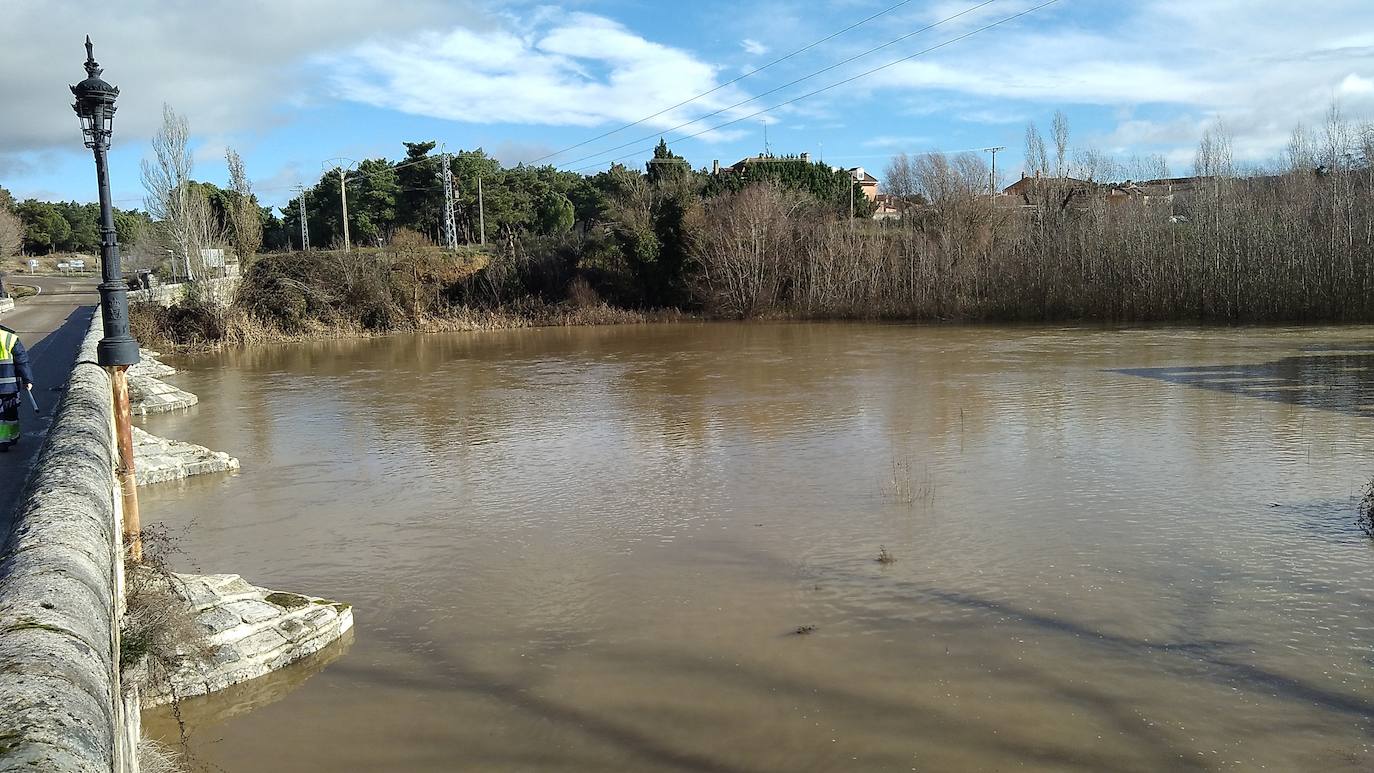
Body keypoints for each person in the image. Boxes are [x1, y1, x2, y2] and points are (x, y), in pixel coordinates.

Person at [0, 324, 34, 452]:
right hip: (9, 386)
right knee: (10, 412)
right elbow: (22, 362)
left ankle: (3, 440)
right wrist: (27, 379)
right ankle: (10, 437)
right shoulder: (10, 338)